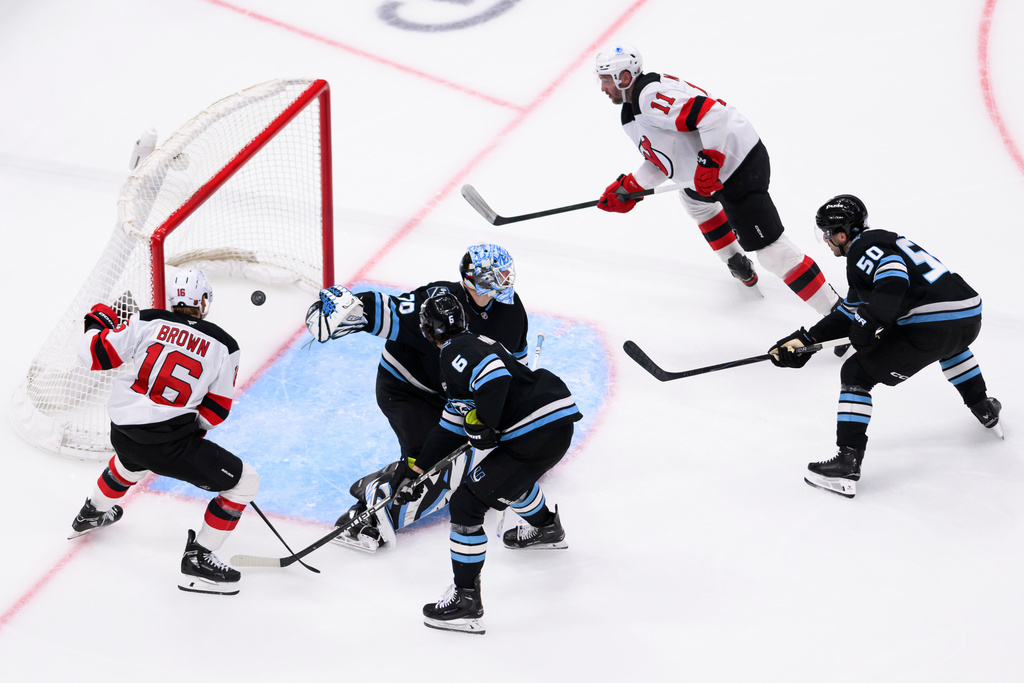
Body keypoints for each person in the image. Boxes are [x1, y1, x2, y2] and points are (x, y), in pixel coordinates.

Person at [768, 195, 1002, 498]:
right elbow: (848, 312)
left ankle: (847, 461)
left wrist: (870, 320)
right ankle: (984, 408)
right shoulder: (881, 243)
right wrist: (806, 341)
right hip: (968, 316)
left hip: (932, 324)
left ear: (842, 234)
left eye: (827, 233)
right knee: (950, 345)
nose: (825, 240)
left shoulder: (863, 249)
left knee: (855, 373)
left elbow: (893, 280)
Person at [304, 244, 529, 552]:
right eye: (498, 273)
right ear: (476, 279)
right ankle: (364, 517)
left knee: (473, 454)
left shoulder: (512, 312)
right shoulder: (439, 302)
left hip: (451, 396)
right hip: (405, 389)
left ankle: (383, 481)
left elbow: (514, 365)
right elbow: (391, 308)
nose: (507, 278)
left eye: (507, 271)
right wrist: (353, 310)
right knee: (425, 463)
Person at [593, 42, 838, 316]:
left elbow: (712, 114)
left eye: (605, 80)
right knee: (694, 200)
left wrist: (709, 162)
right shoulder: (631, 111)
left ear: (623, 77)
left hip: (738, 166)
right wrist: (632, 187)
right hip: (713, 172)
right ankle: (735, 260)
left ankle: (838, 313)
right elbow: (667, 160)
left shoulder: (650, 97)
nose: (602, 88)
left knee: (771, 251)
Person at [396, 292, 581, 634]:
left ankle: (466, 601)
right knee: (504, 478)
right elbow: (451, 425)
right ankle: (545, 527)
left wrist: (486, 421)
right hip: (551, 426)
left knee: (467, 506)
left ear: (427, 330)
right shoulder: (473, 342)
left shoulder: (454, 352)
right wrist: (418, 469)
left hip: (535, 433)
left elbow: (494, 377)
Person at [69, 268, 259, 595]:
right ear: (202, 301)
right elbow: (215, 412)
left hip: (122, 432)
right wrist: (183, 437)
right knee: (244, 484)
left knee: (131, 461)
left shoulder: (148, 320)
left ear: (172, 299)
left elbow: (93, 354)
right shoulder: (225, 345)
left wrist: (95, 322)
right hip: (167, 445)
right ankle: (199, 558)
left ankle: (92, 511)